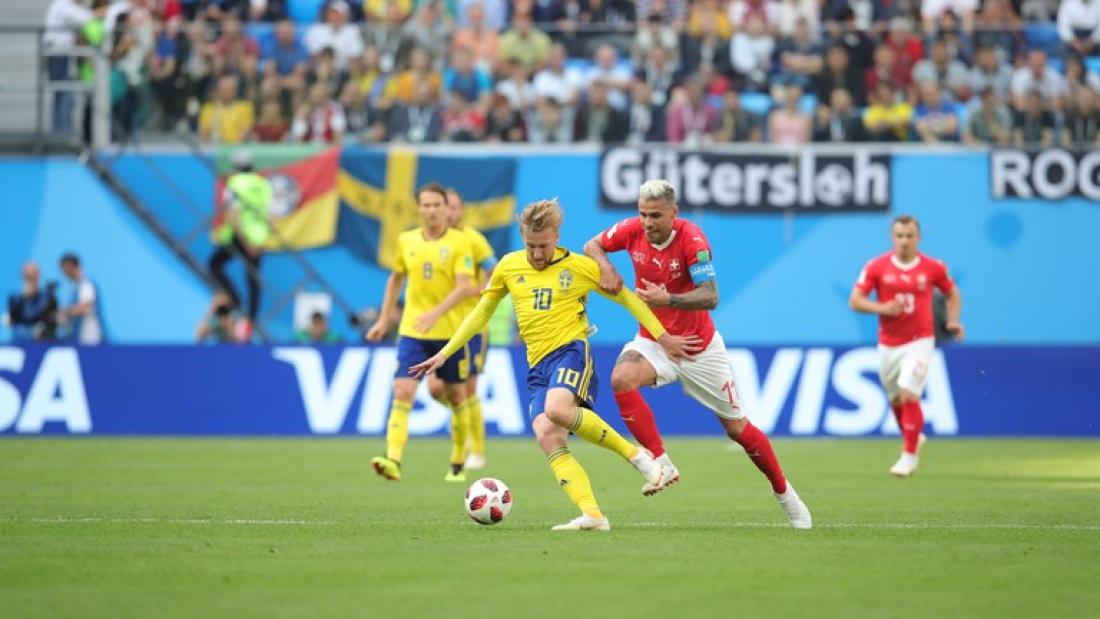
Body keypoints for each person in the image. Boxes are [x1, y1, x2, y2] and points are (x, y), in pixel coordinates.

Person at [411, 199, 699, 531]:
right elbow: (481, 313)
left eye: (543, 246)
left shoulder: (580, 267)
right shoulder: (508, 266)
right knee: (546, 434)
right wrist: (446, 353)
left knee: (558, 409)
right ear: (523, 237)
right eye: (530, 245)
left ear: (557, 236)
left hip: (571, 351)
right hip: (538, 365)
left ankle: (639, 457)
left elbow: (629, 300)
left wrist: (663, 337)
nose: (536, 254)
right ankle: (593, 515)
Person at [582, 180, 812, 530]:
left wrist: (668, 299)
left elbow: (710, 295)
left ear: (674, 213)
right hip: (655, 341)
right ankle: (662, 462)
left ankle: (785, 494)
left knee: (737, 429)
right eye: (643, 214)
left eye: (656, 215)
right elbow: (592, 244)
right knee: (621, 379)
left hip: (697, 348)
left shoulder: (692, 240)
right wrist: (605, 266)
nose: (647, 222)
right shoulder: (631, 230)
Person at [366, 183, 479, 483]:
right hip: (413, 332)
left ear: (445, 208)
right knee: (402, 392)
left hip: (450, 334)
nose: (431, 211)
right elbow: (395, 279)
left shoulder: (460, 242)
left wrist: (435, 313)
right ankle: (393, 460)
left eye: (437, 205)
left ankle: (458, 461)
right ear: (419, 208)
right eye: (426, 205)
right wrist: (383, 320)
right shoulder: (406, 240)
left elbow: (464, 287)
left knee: (457, 395)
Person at [849, 214, 964, 478]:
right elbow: (855, 300)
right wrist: (882, 308)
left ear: (918, 238)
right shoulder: (877, 266)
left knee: (909, 393)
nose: (904, 241)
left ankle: (908, 456)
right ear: (892, 238)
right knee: (896, 398)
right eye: (899, 236)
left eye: (909, 236)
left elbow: (953, 292)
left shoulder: (933, 267)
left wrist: (952, 321)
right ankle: (914, 436)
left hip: (920, 341)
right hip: (888, 344)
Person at [427, 188, 497, 470]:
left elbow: (495, 271)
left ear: (462, 211)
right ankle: (463, 420)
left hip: (471, 327)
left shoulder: (473, 240)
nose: (449, 212)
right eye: (446, 207)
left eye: (454, 207)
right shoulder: (433, 241)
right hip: (442, 327)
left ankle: (477, 451)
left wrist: (478, 290)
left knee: (468, 389)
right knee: (435, 388)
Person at [208, 150, 272, 341]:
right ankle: (250, 322)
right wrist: (261, 241)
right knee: (253, 279)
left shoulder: (235, 183)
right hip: (258, 238)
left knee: (214, 264)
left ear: (236, 166)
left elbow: (233, 213)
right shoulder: (263, 184)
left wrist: (244, 241)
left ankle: (234, 299)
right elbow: (270, 216)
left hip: (240, 236)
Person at [7, 262, 59, 342]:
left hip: (43, 342)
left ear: (39, 274)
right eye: (28, 274)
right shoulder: (15, 298)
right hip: (21, 341)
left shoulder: (49, 297)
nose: (31, 277)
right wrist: (24, 297)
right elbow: (13, 319)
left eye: (33, 274)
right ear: (23, 276)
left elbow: (53, 318)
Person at [58, 253, 103, 345]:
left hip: (90, 338)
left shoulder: (86, 284)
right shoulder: (75, 286)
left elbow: (84, 308)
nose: (64, 272)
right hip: (79, 337)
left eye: (65, 268)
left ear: (72, 266)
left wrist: (64, 312)